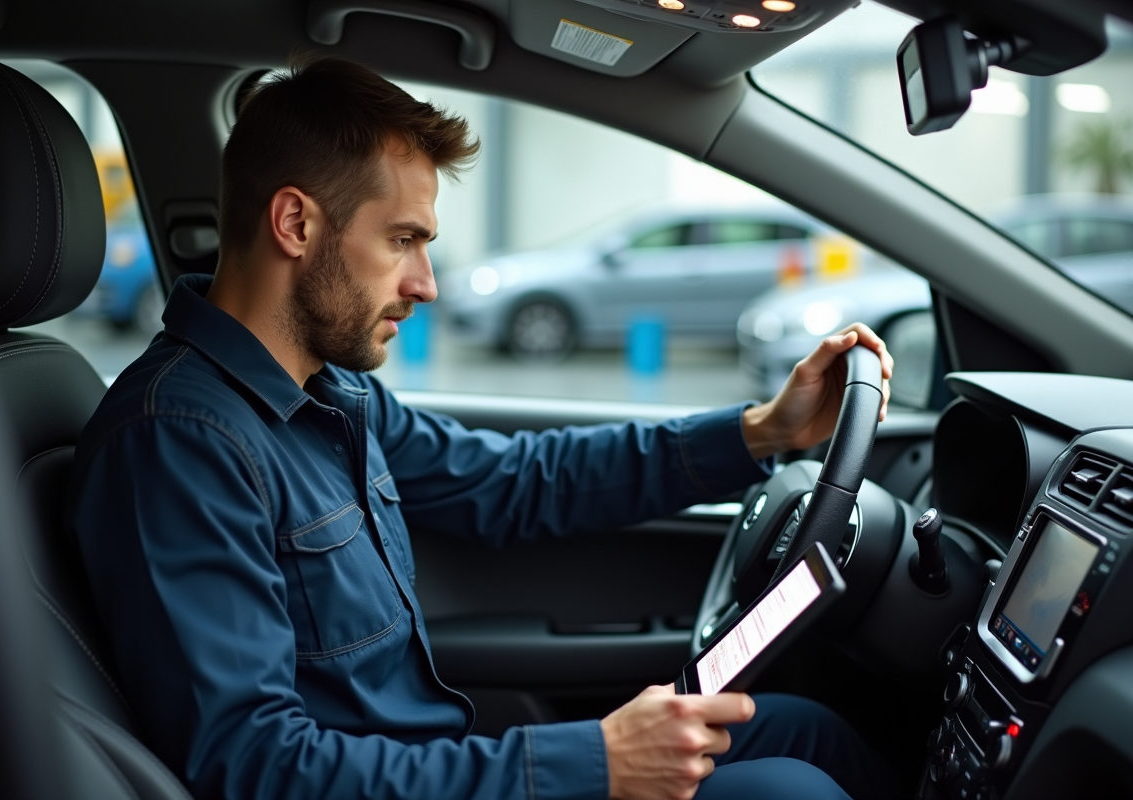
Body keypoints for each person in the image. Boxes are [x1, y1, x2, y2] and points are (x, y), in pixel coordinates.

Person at [68, 55, 896, 800]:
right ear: (295, 224)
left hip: (443, 768)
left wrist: (760, 431)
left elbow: (513, 481)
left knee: (801, 726)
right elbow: (253, 766)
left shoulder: (333, 392)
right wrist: (593, 763)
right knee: (790, 789)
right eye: (403, 241)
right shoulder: (180, 440)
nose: (426, 284)